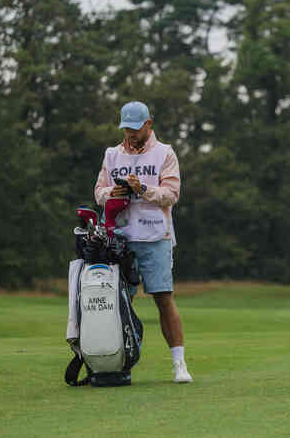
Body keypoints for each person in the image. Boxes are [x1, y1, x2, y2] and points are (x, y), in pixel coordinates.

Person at [94, 101, 193, 384]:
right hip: (119, 237)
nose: (131, 134)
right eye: (126, 128)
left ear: (149, 124)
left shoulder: (165, 153)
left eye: (136, 128)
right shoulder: (112, 154)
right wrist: (111, 193)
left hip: (155, 236)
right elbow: (98, 191)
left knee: (163, 298)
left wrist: (143, 189)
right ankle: (118, 363)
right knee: (117, 302)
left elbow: (171, 194)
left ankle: (179, 365)